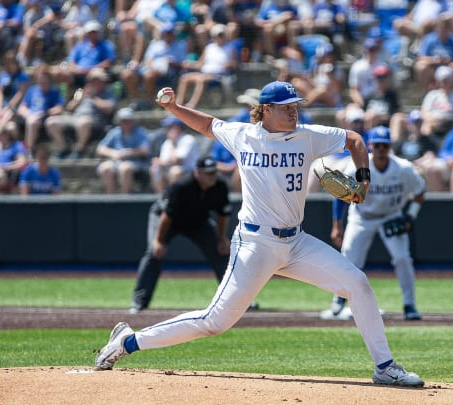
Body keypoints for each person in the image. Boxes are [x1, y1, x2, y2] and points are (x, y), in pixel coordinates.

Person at [94, 81, 425, 388]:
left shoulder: (309, 136)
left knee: (358, 284)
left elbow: (354, 139)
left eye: (296, 104)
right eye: (286, 106)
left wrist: (364, 179)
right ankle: (128, 341)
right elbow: (207, 125)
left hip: (296, 243)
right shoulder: (243, 135)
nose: (294, 110)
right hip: (255, 244)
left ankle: (385, 367)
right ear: (266, 109)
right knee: (214, 322)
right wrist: (174, 107)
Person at [319, 126, 426, 321]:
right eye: (377, 146)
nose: (381, 150)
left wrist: (410, 216)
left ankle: (410, 305)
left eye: (385, 146)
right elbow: (340, 197)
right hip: (362, 217)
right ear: (370, 146)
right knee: (349, 259)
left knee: (403, 259)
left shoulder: (403, 168)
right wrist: (337, 225)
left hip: (391, 216)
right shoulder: (356, 166)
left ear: (390, 147)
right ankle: (338, 302)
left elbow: (420, 190)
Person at [130, 157, 234, 313]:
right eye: (208, 173)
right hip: (167, 221)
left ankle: (235, 299)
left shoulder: (219, 186)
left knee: (222, 251)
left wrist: (221, 238)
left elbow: (222, 214)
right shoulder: (182, 186)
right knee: (154, 253)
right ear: (197, 173)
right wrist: (159, 241)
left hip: (198, 221)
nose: (212, 176)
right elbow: (167, 215)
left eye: (214, 173)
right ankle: (139, 300)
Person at [45, 67, 117, 159]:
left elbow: (110, 109)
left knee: (83, 122)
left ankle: (80, 150)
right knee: (51, 122)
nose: (96, 83)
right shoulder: (81, 91)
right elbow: (69, 108)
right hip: (75, 117)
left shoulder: (108, 92)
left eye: (98, 80)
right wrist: (79, 99)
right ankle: (64, 148)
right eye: (93, 81)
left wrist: (94, 98)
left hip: (94, 120)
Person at [95, 107, 151, 194]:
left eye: (128, 120)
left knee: (125, 168)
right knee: (105, 168)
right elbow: (100, 148)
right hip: (116, 161)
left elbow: (145, 150)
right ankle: (111, 198)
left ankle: (125, 198)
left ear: (133, 121)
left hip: (136, 162)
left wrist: (128, 153)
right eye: (123, 121)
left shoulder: (140, 132)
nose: (125, 123)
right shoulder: (115, 132)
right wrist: (113, 153)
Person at [149, 116, 201, 195]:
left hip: (191, 170)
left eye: (170, 127)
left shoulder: (188, 139)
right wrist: (158, 163)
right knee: (155, 169)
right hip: (171, 168)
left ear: (178, 128)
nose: (167, 129)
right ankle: (161, 196)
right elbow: (163, 160)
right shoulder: (167, 142)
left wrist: (173, 143)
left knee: (175, 171)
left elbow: (176, 160)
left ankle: (172, 196)